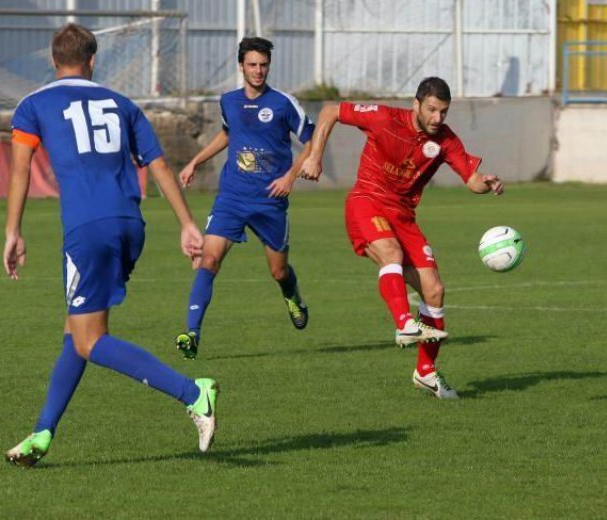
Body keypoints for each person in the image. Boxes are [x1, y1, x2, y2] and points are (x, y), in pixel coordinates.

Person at [3, 23, 218, 468]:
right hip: (129, 223)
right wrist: (186, 224)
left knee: (91, 339)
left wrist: (13, 231)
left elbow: (21, 171)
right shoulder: (122, 104)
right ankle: (42, 433)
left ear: (53, 59)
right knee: (75, 331)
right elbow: (157, 164)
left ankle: (194, 393)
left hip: (88, 227)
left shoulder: (34, 104)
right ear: (93, 60)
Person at [298, 77, 503, 399]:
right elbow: (330, 110)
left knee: (434, 290)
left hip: (404, 216)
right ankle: (404, 322)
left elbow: (471, 179)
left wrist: (486, 182)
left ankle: (426, 372)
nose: (438, 118)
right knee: (390, 253)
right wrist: (314, 155)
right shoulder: (383, 118)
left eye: (444, 112)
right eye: (432, 110)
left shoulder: (446, 140)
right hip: (367, 200)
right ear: (417, 104)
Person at [176, 37, 314, 359]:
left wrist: (290, 176)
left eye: (263, 65)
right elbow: (228, 133)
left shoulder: (283, 103)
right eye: (252, 65)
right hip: (233, 197)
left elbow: (310, 141)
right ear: (241, 66)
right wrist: (196, 160)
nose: (258, 71)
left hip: (270, 201)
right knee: (208, 260)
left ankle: (291, 294)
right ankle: (191, 333)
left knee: (279, 272)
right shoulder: (229, 101)